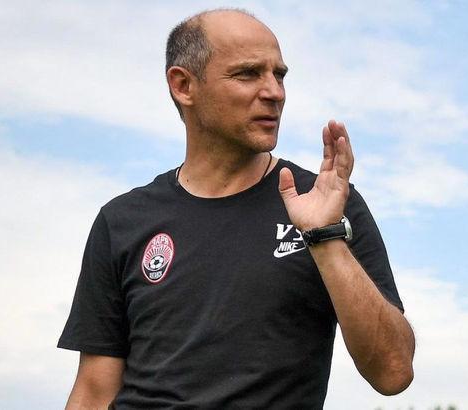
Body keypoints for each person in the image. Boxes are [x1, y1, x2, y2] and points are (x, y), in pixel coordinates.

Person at [58, 8, 415, 409]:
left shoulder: (327, 205)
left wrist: (324, 237)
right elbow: (94, 392)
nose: (274, 92)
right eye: (248, 74)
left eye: (279, 75)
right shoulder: (122, 220)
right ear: (183, 85)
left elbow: (393, 372)